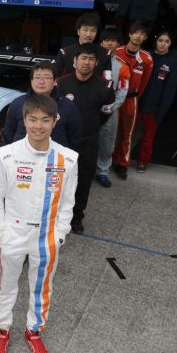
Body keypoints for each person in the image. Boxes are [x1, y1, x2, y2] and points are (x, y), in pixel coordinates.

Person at [0, 94, 78, 353]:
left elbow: (68, 202)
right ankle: (2, 330)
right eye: (33, 119)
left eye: (45, 120)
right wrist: (1, 233)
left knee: (42, 287)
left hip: (47, 235)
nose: (38, 126)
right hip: (13, 232)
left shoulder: (68, 159)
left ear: (54, 122)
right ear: (24, 120)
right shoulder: (6, 155)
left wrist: (60, 234)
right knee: (5, 285)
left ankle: (34, 331)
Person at [57, 43, 115, 234]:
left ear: (96, 63)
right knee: (58, 180)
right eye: (83, 58)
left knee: (83, 182)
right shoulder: (61, 84)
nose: (86, 62)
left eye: (91, 59)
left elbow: (106, 113)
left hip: (89, 141)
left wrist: (90, 126)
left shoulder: (105, 87)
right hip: (63, 141)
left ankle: (76, 218)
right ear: (75, 61)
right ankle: (56, 216)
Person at [3, 61, 82, 150]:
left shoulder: (67, 106)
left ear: (55, 81)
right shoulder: (17, 103)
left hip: (55, 156)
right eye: (37, 77)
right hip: (21, 155)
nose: (41, 81)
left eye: (46, 77)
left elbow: (75, 137)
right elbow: (8, 132)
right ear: (31, 80)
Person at [112, 21, 153, 180]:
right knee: (111, 131)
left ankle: (122, 163)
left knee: (127, 133)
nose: (138, 36)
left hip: (131, 100)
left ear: (145, 38)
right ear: (129, 34)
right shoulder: (116, 52)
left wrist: (133, 96)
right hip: (114, 98)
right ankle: (107, 160)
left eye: (142, 34)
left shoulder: (147, 59)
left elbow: (144, 84)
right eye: (136, 32)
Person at [135, 30, 177, 172]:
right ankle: (120, 158)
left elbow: (170, 90)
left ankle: (142, 161)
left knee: (148, 136)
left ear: (170, 43)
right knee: (127, 133)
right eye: (160, 40)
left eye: (166, 41)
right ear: (155, 41)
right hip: (137, 102)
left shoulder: (173, 62)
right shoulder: (146, 56)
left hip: (155, 106)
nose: (163, 44)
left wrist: (162, 110)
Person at [96, 28, 130, 188]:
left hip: (110, 110)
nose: (110, 43)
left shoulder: (122, 66)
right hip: (89, 109)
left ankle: (102, 172)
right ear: (101, 42)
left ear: (118, 44)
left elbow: (123, 90)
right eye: (107, 40)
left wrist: (112, 106)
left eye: (114, 41)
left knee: (107, 142)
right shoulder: (91, 61)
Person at [55, 12, 111, 78]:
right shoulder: (65, 53)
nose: (88, 34)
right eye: (85, 30)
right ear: (78, 31)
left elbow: (108, 80)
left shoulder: (105, 54)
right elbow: (56, 79)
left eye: (93, 31)